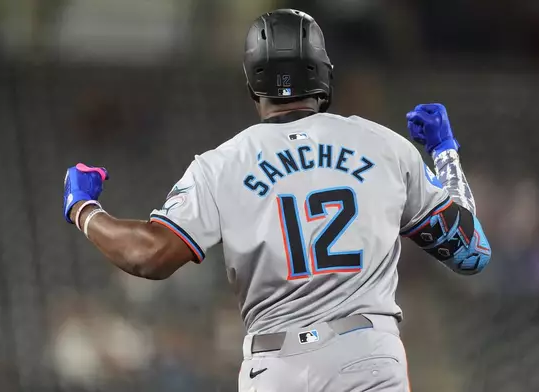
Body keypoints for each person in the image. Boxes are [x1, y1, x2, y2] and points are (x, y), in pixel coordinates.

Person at [62, 9, 491, 392]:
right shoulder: (383, 145)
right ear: (324, 72)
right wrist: (445, 151)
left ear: (253, 82)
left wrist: (83, 208)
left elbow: (148, 255)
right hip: (367, 357)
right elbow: (472, 254)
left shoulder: (222, 164)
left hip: (275, 366)